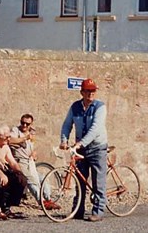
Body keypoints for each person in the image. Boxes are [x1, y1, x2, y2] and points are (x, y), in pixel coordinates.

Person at [60, 78, 108, 222]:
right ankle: (78, 210)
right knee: (80, 180)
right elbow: (67, 124)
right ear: (82, 92)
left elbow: (95, 129)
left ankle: (98, 211)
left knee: (98, 181)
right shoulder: (75, 107)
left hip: (97, 147)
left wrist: (80, 144)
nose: (91, 93)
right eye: (88, 91)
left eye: (93, 91)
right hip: (81, 148)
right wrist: (64, 140)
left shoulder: (100, 107)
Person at [9, 114, 59, 210]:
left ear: (31, 124)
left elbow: (32, 145)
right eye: (22, 123)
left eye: (27, 124)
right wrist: (24, 138)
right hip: (20, 161)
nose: (24, 126)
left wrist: (33, 152)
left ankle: (48, 199)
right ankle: (42, 202)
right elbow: (10, 140)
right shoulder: (16, 131)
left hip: (29, 161)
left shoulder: (32, 132)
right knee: (31, 180)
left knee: (42, 178)